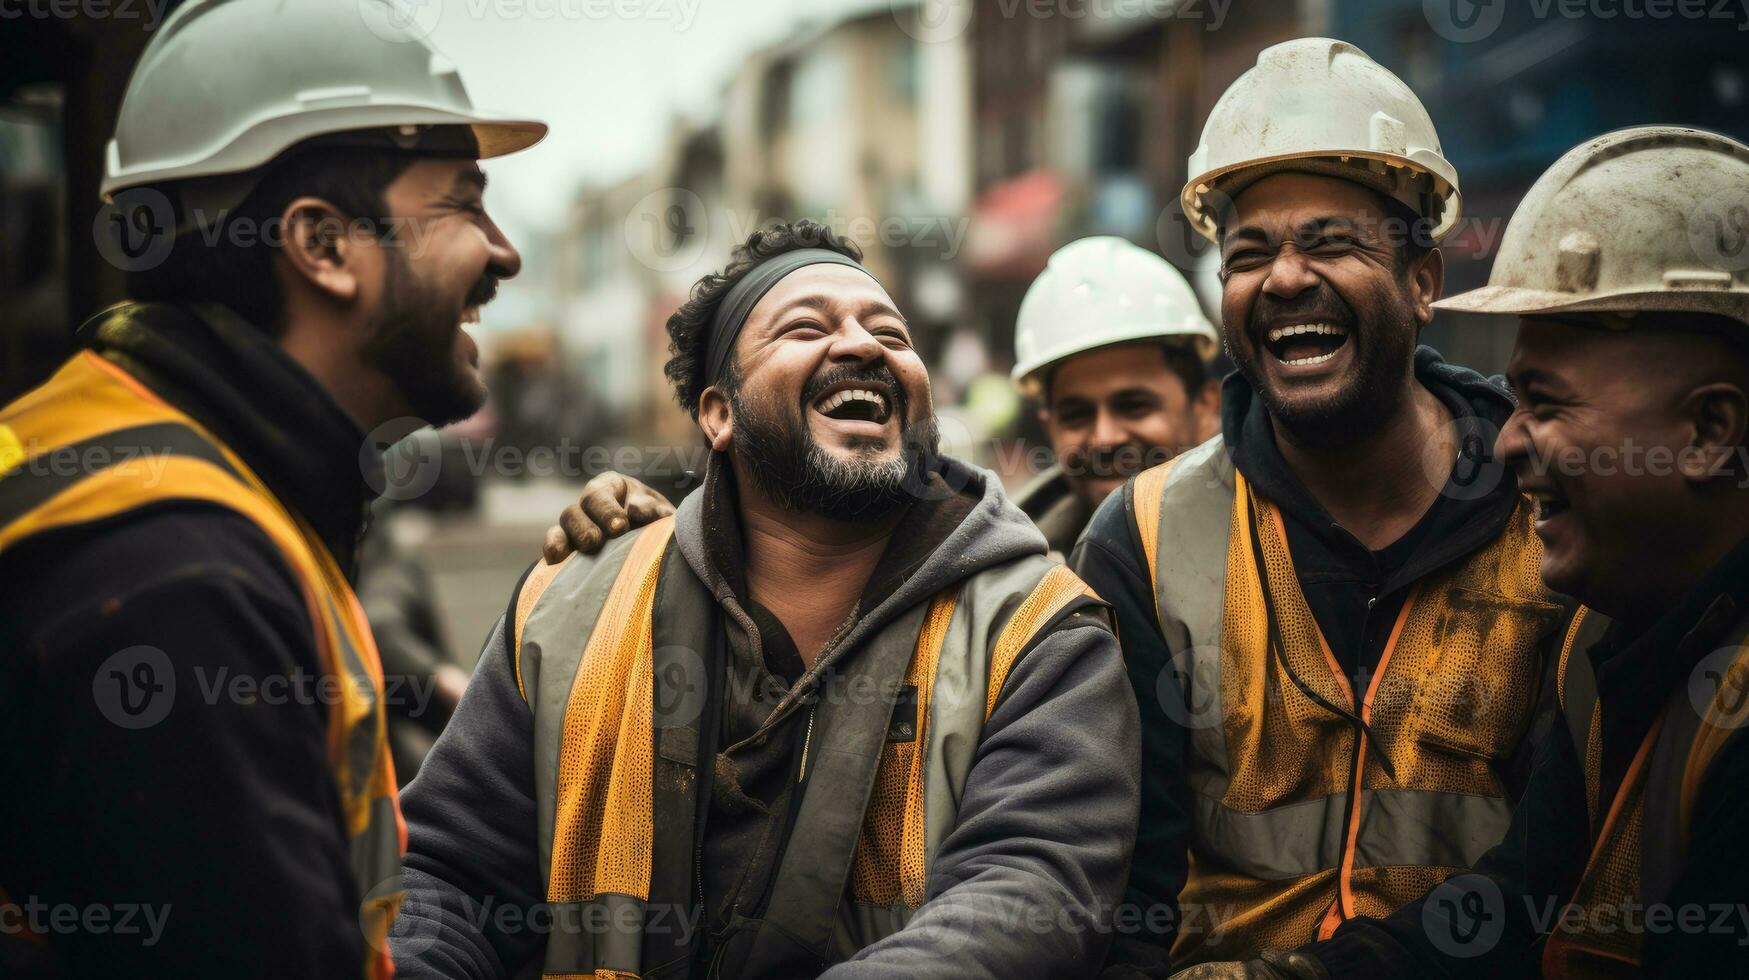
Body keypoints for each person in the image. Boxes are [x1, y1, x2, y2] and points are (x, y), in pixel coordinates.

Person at [0, 2, 650, 974]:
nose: (504, 253)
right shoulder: (180, 586)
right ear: (323, 244)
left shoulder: (153, 470)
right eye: (465, 203)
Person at [391, 220, 1141, 979]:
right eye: (806, 327)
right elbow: (447, 874)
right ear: (718, 413)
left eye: (890, 331)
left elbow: (1027, 892)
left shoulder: (1041, 631)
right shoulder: (572, 601)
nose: (862, 345)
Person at [1073, 38, 1579, 976]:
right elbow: (1122, 884)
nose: (1284, 279)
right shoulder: (1141, 539)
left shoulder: (1544, 509)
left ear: (1422, 283)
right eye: (1247, 252)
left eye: (1330, 242)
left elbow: (1557, 866)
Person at [1244, 126, 1749, 979]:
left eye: (1544, 403)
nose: (1508, 441)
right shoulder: (1608, 649)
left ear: (1707, 432)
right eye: (1514, 399)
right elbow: (1517, 905)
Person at [1010, 237, 1221, 557]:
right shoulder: (1022, 586)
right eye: (1076, 415)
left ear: (1206, 408)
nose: (1104, 439)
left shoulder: (1276, 543)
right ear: (1049, 427)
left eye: (1134, 406)